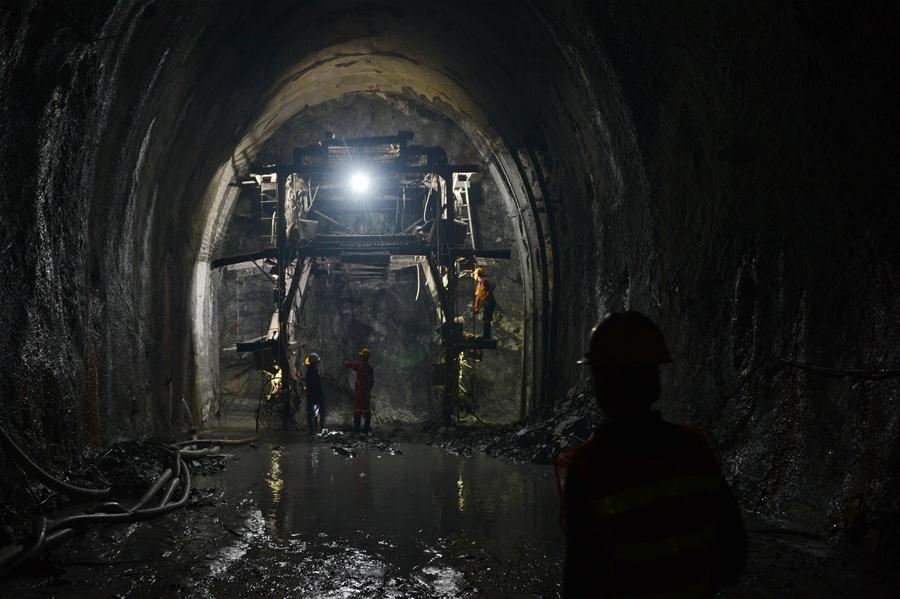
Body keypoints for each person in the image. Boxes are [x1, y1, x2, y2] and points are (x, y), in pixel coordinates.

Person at [560, 311, 746, 599]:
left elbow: (581, 581)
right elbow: (733, 560)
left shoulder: (589, 468)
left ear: (599, 386)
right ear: (655, 381)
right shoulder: (695, 450)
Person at [344, 348, 374, 433]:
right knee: (360, 411)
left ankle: (361, 430)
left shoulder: (367, 368)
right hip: (361, 393)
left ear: (365, 357)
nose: (360, 357)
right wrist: (347, 364)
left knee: (364, 411)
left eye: (362, 356)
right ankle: (361, 431)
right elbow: (352, 365)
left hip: (363, 393)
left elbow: (371, 382)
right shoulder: (363, 366)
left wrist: (367, 391)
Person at [472, 267, 497, 339]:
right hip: (486, 302)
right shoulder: (479, 285)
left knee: (487, 319)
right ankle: (486, 335)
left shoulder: (485, 281)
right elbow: (478, 297)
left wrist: (487, 294)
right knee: (485, 318)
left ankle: (487, 336)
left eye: (475, 274)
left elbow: (493, 285)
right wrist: (476, 307)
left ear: (478, 274)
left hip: (490, 302)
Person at [304, 352, 324, 433]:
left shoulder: (310, 370)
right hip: (316, 393)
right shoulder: (313, 370)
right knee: (318, 411)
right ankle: (317, 429)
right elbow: (316, 382)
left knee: (312, 411)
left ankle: (313, 429)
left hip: (311, 393)